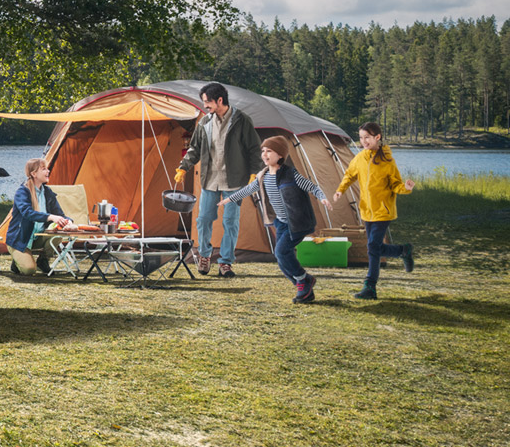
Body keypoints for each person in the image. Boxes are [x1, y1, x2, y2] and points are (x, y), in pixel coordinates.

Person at [218, 136, 331, 303]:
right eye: (263, 151)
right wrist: (229, 199)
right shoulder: (262, 176)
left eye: (269, 151)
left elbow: (311, 186)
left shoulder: (291, 174)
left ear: (280, 155)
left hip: (296, 222)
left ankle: (303, 280)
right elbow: (248, 189)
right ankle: (304, 284)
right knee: (282, 257)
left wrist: (322, 197)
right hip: (281, 223)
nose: (264, 154)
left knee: (281, 252)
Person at [174, 82, 263, 277]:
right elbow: (194, 149)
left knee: (230, 222)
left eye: (207, 102)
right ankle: (204, 256)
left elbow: (254, 149)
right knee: (203, 219)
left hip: (235, 181)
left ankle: (225, 262)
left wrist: (254, 173)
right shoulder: (204, 122)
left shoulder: (241, 120)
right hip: (210, 181)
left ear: (220, 100)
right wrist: (183, 167)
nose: (205, 105)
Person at [332, 121, 415, 300]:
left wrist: (406, 188)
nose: (364, 141)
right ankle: (403, 250)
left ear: (377, 137)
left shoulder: (388, 161)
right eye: (361, 138)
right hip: (367, 211)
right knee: (375, 247)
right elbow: (349, 175)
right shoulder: (360, 158)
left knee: (372, 247)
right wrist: (340, 190)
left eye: (367, 137)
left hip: (383, 211)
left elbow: (395, 184)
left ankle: (370, 286)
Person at [5, 158, 74, 275]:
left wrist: (68, 221)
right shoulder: (22, 192)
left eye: (47, 168)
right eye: (44, 169)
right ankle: (17, 262)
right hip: (20, 239)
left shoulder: (47, 192)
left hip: (38, 237)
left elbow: (60, 215)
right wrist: (50, 217)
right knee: (29, 270)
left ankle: (43, 260)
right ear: (34, 174)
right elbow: (28, 213)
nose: (48, 171)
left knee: (58, 235)